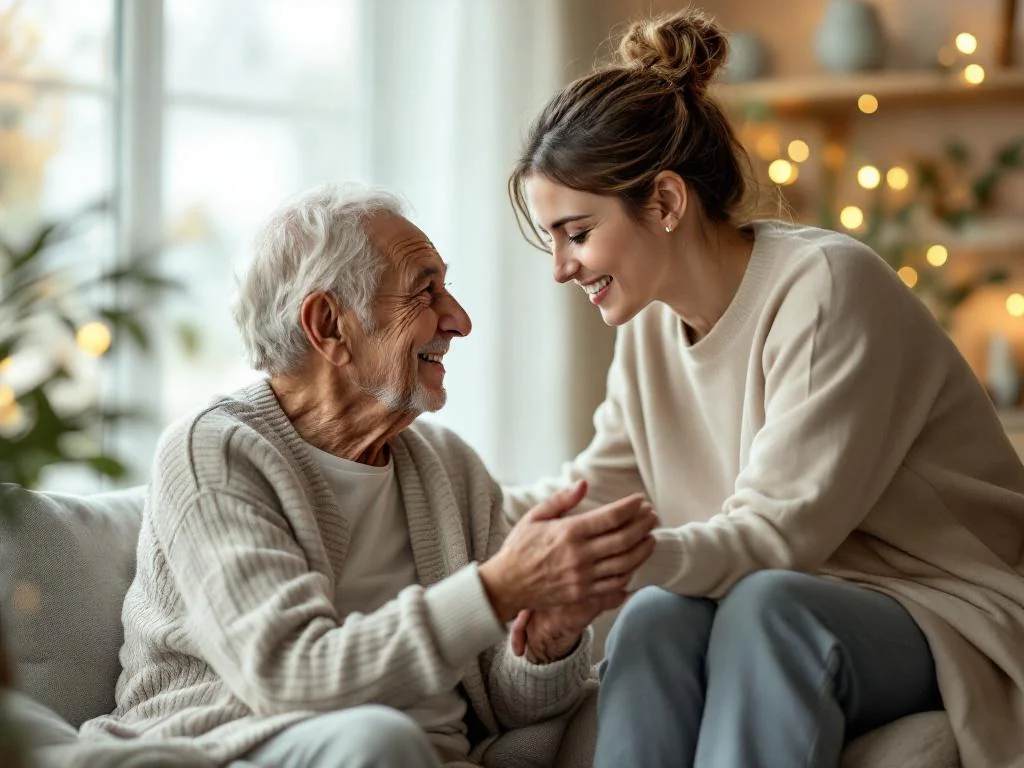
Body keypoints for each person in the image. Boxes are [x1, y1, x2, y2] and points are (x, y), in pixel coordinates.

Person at [502, 9, 1024, 768]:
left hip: (950, 601)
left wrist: (599, 564)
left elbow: (775, 540)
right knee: (654, 616)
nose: (560, 267)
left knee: (767, 607)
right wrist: (442, 509)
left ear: (667, 203)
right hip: (797, 594)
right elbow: (593, 491)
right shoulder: (648, 331)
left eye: (576, 233)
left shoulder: (826, 289)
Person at [79, 185, 658, 768]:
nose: (459, 321)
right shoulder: (214, 452)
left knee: (634, 676)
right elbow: (289, 678)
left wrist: (545, 639)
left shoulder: (449, 468)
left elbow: (511, 705)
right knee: (379, 742)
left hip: (422, 756)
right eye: (424, 291)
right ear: (329, 324)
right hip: (237, 746)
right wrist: (497, 588)